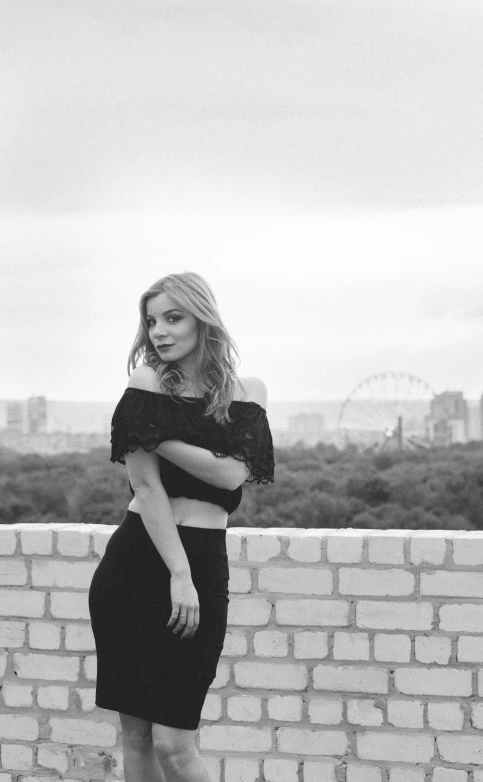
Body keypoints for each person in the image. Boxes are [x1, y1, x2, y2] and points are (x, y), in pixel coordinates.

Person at [88, 271, 274, 782]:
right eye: (151, 322)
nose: (159, 332)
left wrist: (155, 435)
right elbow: (146, 490)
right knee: (137, 735)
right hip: (139, 565)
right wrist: (178, 573)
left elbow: (234, 472)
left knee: (175, 743)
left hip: (205, 562)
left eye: (173, 318)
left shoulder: (247, 391)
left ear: (203, 319)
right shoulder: (145, 384)